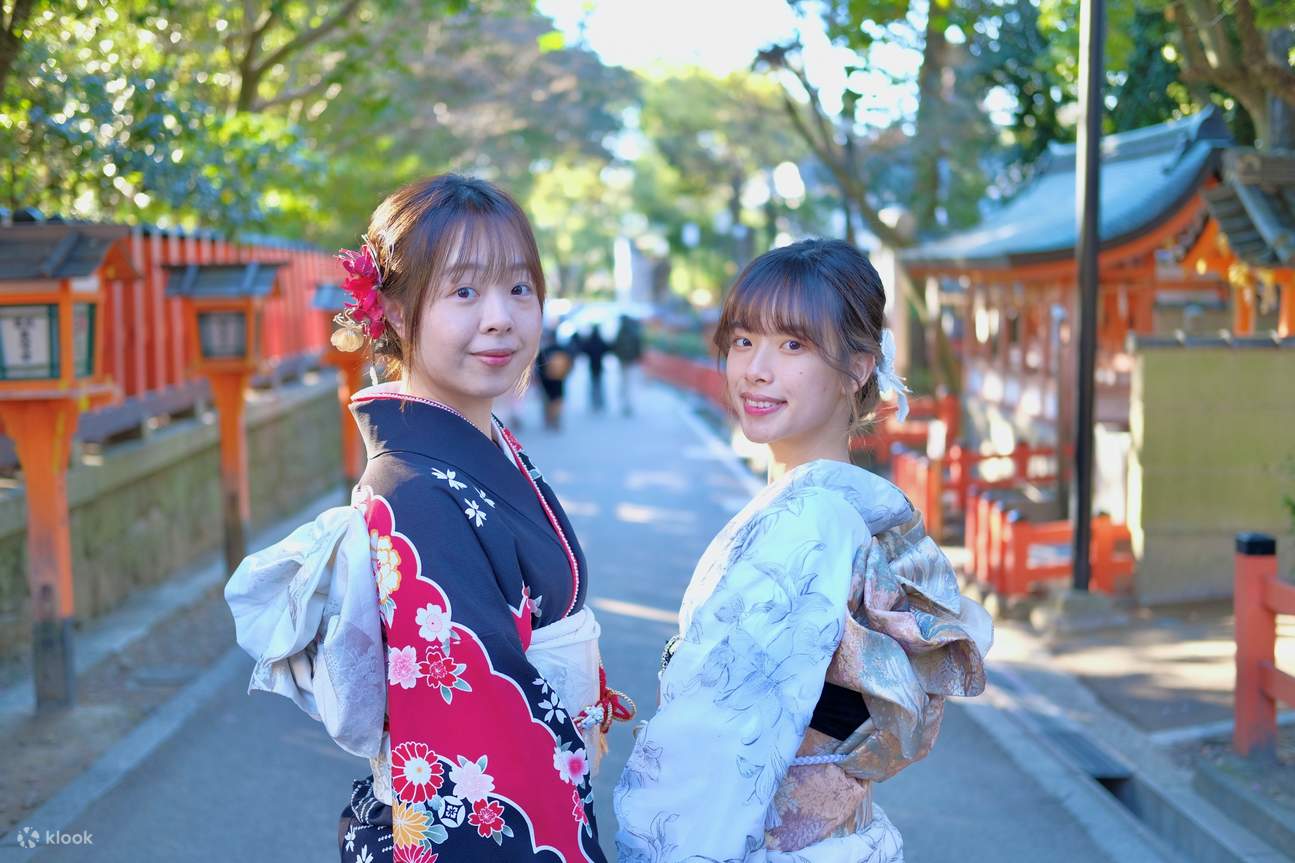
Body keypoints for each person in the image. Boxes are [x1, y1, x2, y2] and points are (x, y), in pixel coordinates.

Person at [225, 175, 631, 863]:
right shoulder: (413, 492)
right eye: (463, 291)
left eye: (519, 287)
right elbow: (484, 738)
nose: (500, 317)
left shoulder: (481, 448)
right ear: (395, 310)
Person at [613, 239, 992, 862]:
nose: (755, 369)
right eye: (743, 341)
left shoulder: (810, 523)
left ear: (859, 367)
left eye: (793, 345)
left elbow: (720, 749)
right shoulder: (848, 511)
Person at [536, 327, 574, 430]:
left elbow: (539, 366)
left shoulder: (544, 351)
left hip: (546, 380)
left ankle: (549, 419)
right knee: (558, 399)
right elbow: (569, 363)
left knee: (547, 399)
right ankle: (557, 419)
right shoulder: (562, 349)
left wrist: (540, 378)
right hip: (559, 379)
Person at [611, 313, 643, 416]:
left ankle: (626, 403)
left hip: (624, 361)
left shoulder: (621, 332)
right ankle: (627, 404)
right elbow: (638, 346)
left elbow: (616, 346)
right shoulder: (633, 331)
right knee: (628, 383)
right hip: (629, 361)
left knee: (625, 383)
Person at [579, 325, 609, 413]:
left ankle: (594, 402)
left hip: (592, 366)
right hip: (599, 366)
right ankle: (600, 402)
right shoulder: (600, 341)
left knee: (593, 385)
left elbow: (584, 349)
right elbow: (607, 349)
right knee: (599, 384)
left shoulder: (590, 341)